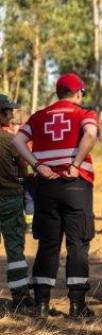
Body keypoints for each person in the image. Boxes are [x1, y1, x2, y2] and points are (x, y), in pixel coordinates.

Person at [12, 73, 98, 318]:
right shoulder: (84, 113)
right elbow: (90, 135)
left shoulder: (39, 116)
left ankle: (41, 304)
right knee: (78, 243)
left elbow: (18, 141)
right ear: (78, 92)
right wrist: (76, 164)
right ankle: (77, 304)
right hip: (76, 185)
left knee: (48, 244)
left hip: (46, 186)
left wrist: (37, 165)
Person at [0, 94, 32, 309]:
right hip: (10, 198)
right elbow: (23, 165)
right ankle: (20, 295)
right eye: (9, 111)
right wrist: (20, 179)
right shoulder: (10, 140)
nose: (12, 114)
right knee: (14, 249)